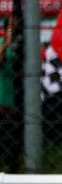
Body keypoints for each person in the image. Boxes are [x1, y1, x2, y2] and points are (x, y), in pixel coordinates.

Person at [0, 16, 21, 173]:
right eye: (10, 27)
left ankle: (13, 171)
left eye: (16, 27)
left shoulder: (22, 48)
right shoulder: (3, 44)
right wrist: (6, 42)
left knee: (13, 143)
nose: (13, 30)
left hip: (16, 103)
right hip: (2, 100)